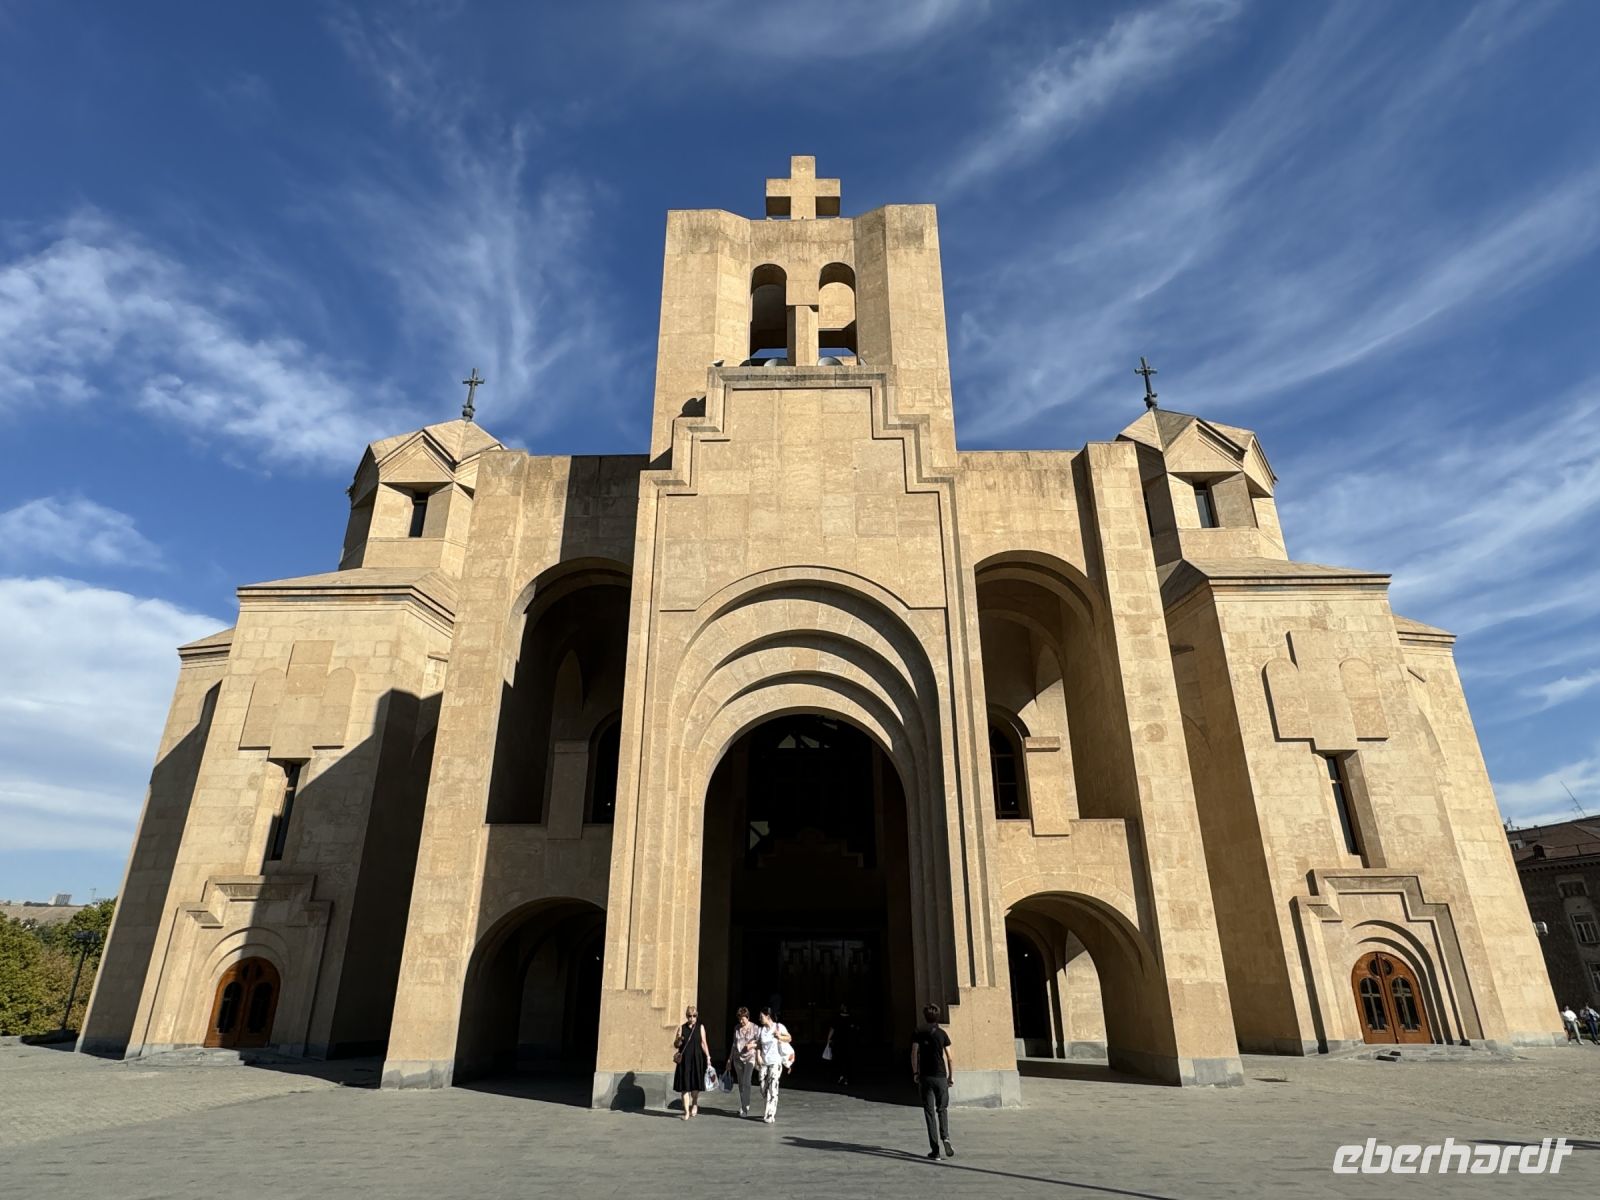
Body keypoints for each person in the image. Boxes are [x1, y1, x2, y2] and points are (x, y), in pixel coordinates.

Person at [910, 1003, 955, 1161]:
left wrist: (915, 1072)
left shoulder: (919, 1032)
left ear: (925, 1016)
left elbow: (914, 1052)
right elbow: (949, 1057)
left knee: (929, 1113)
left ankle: (935, 1150)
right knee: (942, 1109)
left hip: (925, 1077)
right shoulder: (942, 1034)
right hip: (941, 1076)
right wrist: (951, 1076)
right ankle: (946, 1137)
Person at [672, 1003, 712, 1119]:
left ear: (697, 1016)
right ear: (686, 1016)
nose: (692, 1018)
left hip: (697, 1059)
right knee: (685, 1088)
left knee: (695, 1087)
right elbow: (676, 1044)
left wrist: (708, 1057)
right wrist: (678, 1040)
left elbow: (703, 1043)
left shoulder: (700, 1027)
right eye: (690, 1016)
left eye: (694, 1016)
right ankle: (686, 1112)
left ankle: (694, 1103)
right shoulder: (681, 1028)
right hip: (685, 1061)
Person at [755, 1006, 792, 1124]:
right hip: (764, 1062)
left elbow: (789, 1038)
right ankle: (768, 1106)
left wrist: (780, 1036)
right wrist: (758, 1055)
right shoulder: (761, 1030)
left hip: (775, 1062)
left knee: (773, 1087)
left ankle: (770, 1113)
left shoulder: (778, 1027)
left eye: (762, 1016)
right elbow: (759, 1044)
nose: (760, 1019)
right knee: (762, 1086)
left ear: (768, 1016)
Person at [725, 1006, 760, 1117]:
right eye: (739, 1019)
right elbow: (734, 1044)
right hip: (737, 1058)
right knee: (740, 1083)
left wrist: (752, 1045)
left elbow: (760, 1043)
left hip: (750, 1057)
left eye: (743, 1019)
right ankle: (743, 1104)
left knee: (747, 1081)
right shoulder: (736, 1028)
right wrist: (729, 1059)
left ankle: (745, 1108)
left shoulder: (755, 1028)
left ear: (748, 1017)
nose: (741, 1021)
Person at [824, 1003, 858, 1086]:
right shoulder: (852, 1018)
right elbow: (856, 1029)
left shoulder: (836, 1018)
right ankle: (846, 1077)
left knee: (838, 1059)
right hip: (848, 1042)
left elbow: (832, 1029)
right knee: (848, 1060)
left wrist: (828, 1040)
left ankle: (840, 1076)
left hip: (838, 1042)